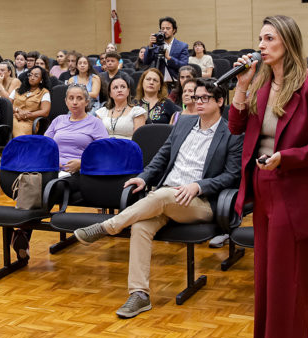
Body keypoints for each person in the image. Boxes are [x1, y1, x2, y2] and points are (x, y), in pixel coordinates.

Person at [228, 14, 308, 338]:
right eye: (259, 37)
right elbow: (237, 129)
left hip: (292, 189)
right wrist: (240, 88)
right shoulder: (259, 83)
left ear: (286, 42)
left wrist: (286, 158)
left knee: (287, 289)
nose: (261, 44)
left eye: (269, 38)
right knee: (265, 286)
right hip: (263, 188)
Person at [76, 79, 242, 318]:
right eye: (196, 97)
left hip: (200, 203)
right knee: (141, 226)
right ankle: (139, 295)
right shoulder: (184, 124)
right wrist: (144, 177)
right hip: (166, 197)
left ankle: (107, 226)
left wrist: (199, 186)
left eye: (205, 98)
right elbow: (162, 157)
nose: (199, 102)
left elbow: (232, 176)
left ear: (219, 101)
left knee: (163, 194)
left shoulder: (232, 133)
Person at [43, 84, 108, 176]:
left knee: (57, 186)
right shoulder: (59, 120)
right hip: (53, 167)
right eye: (71, 98)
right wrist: (51, 160)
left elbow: (104, 151)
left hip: (80, 171)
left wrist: (83, 163)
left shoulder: (95, 123)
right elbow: (45, 145)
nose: (74, 102)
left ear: (86, 102)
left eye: (79, 98)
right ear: (66, 101)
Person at [143, 16, 189, 81]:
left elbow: (184, 66)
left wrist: (169, 58)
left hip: (174, 82)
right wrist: (150, 45)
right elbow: (146, 61)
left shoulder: (182, 46)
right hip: (159, 82)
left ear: (174, 30)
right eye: (162, 28)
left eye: (168, 28)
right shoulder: (156, 45)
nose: (164, 31)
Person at [12, 65, 51, 137]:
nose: (32, 78)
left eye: (36, 76)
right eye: (30, 75)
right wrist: (18, 110)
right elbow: (7, 105)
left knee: (18, 132)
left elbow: (45, 112)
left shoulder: (44, 92)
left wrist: (26, 115)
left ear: (41, 79)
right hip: (14, 117)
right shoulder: (18, 90)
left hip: (29, 122)